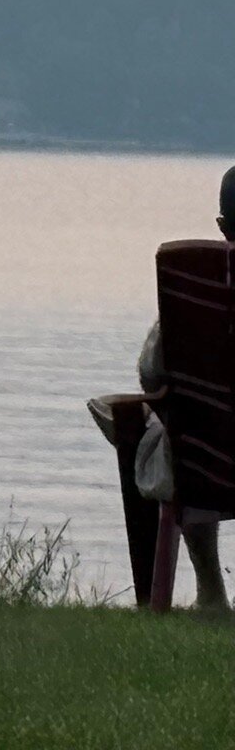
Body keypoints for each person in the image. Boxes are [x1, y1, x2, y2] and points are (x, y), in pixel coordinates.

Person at [90, 166, 233, 608]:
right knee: (184, 426)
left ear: (222, 227)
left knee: (170, 424)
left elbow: (151, 371)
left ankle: (210, 591)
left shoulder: (197, 288)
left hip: (203, 461)